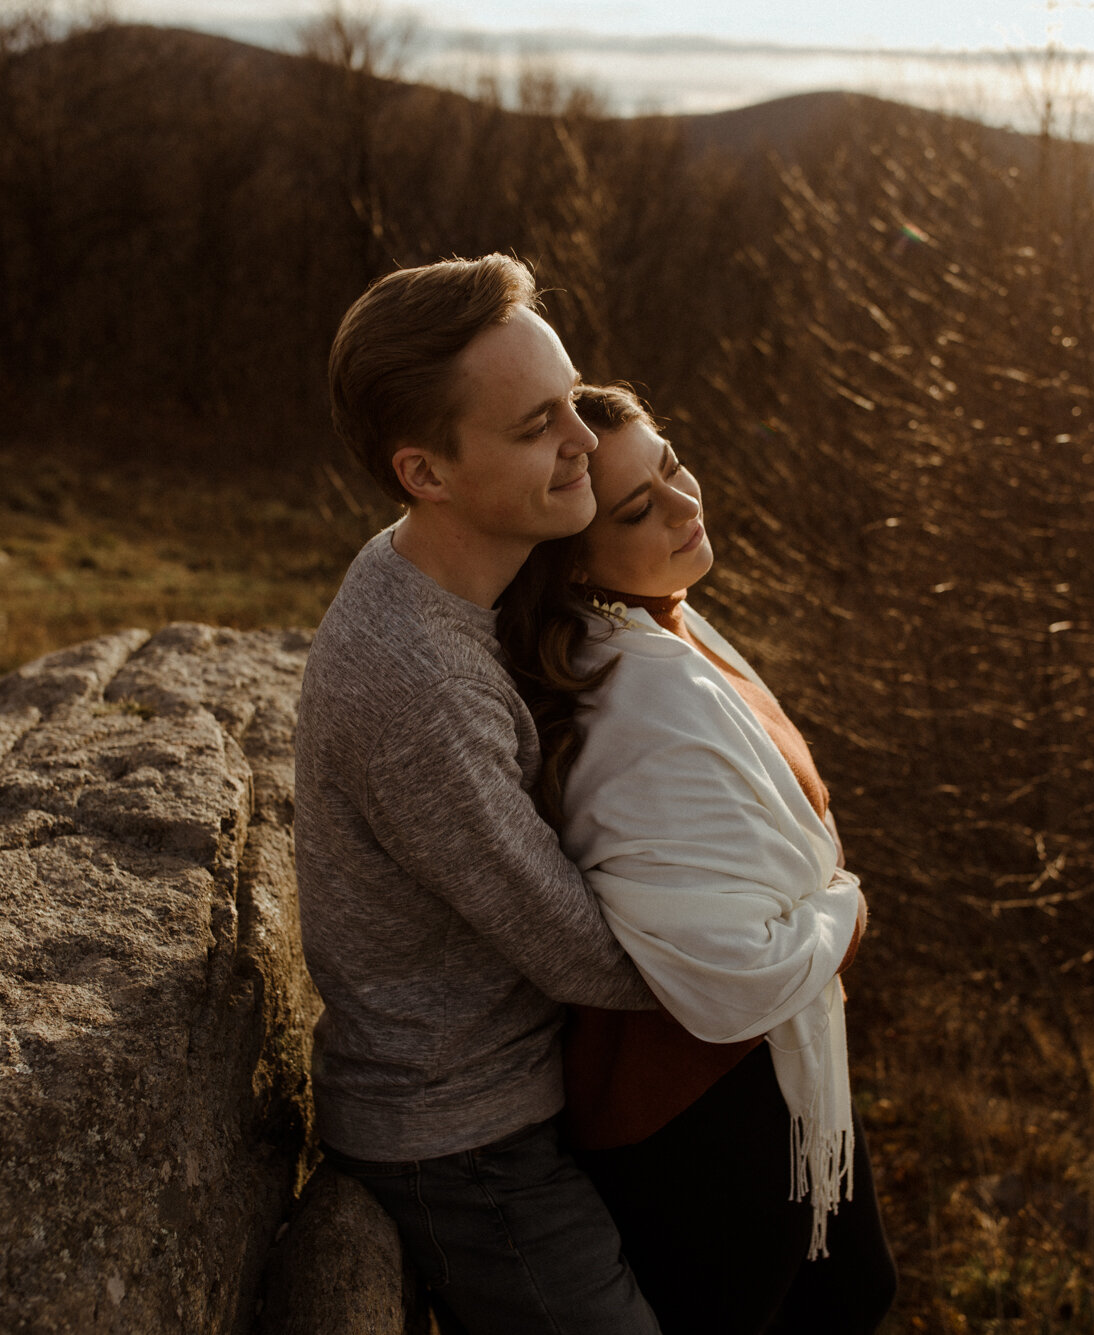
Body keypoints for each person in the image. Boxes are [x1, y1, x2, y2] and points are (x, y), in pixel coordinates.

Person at [293, 257, 663, 1335]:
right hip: (461, 1147)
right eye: (536, 425)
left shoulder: (448, 581)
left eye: (571, 401)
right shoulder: (416, 685)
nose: (584, 440)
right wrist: (766, 955)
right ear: (427, 473)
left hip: (516, 1102)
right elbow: (579, 956)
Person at [496, 384, 900, 1335]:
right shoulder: (637, 697)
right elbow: (735, 969)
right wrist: (845, 908)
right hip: (701, 1119)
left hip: (774, 1077)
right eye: (637, 508)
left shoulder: (667, 621)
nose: (685, 505)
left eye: (672, 464)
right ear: (574, 563)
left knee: (855, 1295)